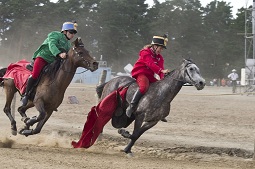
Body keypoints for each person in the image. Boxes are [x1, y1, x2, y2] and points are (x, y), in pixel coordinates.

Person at [21, 21, 78, 106]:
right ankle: (25, 95)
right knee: (35, 74)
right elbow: (52, 45)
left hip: (52, 62)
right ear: (64, 31)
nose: (72, 35)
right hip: (42, 58)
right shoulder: (54, 34)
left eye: (74, 33)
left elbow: (70, 55)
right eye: (71, 32)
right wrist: (59, 54)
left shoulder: (68, 44)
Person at [126, 34, 170, 120]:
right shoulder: (145, 52)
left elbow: (161, 70)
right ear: (155, 46)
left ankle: (158, 112)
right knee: (143, 87)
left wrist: (163, 80)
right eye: (160, 48)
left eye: (162, 49)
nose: (161, 50)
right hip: (141, 73)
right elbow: (150, 64)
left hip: (149, 76)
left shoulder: (160, 58)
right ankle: (131, 107)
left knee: (159, 89)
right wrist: (161, 71)